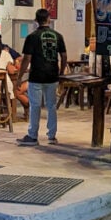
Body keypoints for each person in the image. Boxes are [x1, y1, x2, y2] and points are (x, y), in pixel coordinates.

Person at [15, 8, 67, 146]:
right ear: (49, 19)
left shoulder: (32, 37)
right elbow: (63, 56)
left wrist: (20, 76)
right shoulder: (58, 36)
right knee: (51, 106)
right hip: (52, 76)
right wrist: (61, 73)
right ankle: (52, 136)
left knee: (35, 106)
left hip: (36, 76)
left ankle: (32, 136)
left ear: (36, 20)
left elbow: (26, 58)